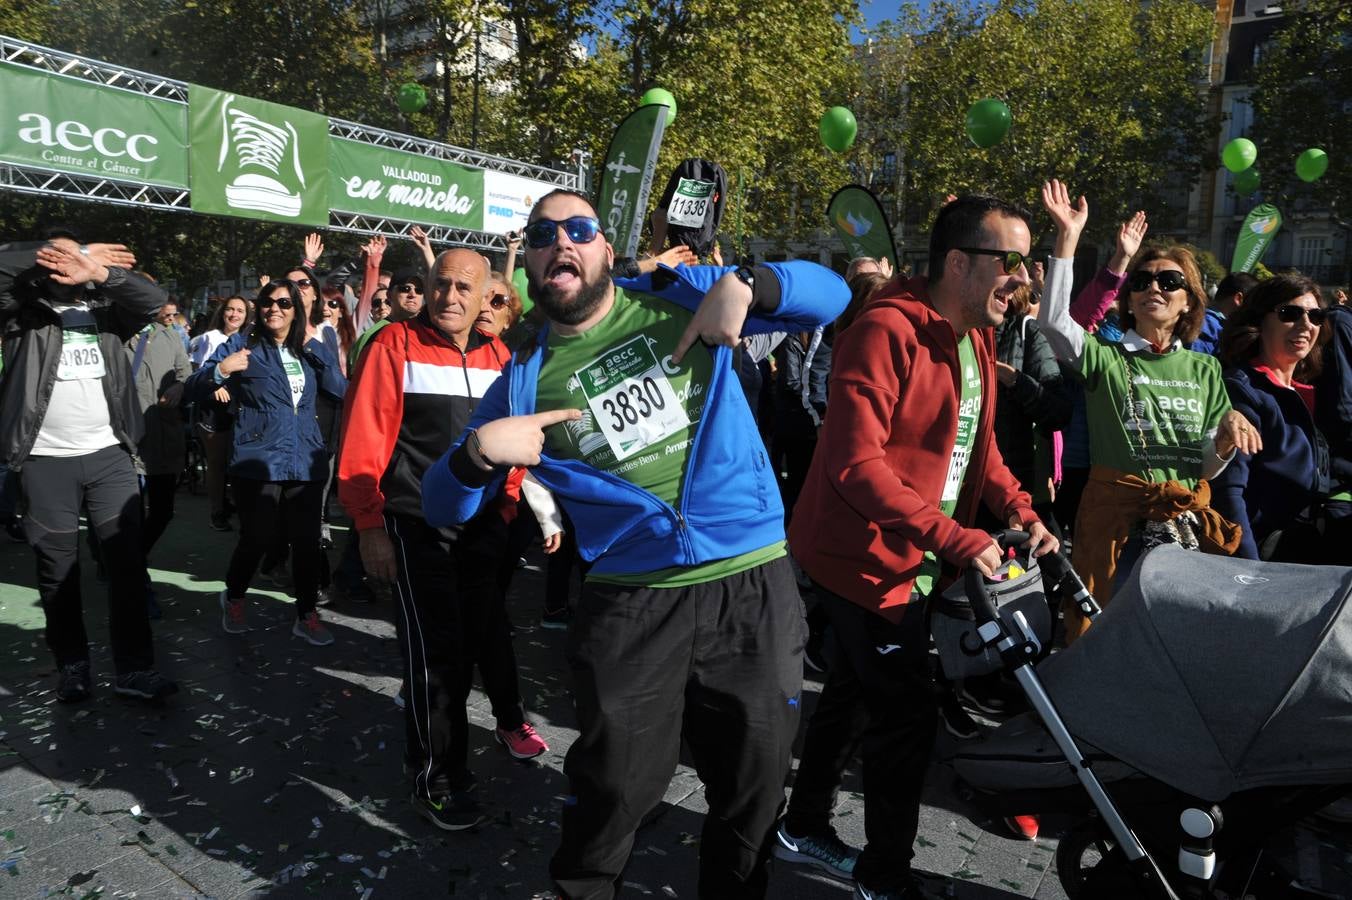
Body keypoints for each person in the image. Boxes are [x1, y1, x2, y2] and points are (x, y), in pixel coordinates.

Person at [422, 189, 848, 898]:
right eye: (542, 234)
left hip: (750, 582)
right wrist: (478, 454)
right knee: (614, 787)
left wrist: (750, 283)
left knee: (756, 779)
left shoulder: (683, 294)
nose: (562, 242)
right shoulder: (522, 381)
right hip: (630, 601)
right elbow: (442, 501)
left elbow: (831, 295)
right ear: (526, 264)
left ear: (604, 250)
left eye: (579, 229)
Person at [784, 195, 1056, 898]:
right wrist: (956, 538)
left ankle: (801, 823)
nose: (1021, 280)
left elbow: (976, 441)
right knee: (903, 718)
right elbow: (854, 464)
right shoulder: (885, 330)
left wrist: (1019, 509)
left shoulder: (975, 334)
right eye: (1011, 262)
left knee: (847, 691)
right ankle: (886, 874)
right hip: (865, 563)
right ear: (960, 262)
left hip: (915, 557)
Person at [338, 247, 549, 833]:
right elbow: (363, 442)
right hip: (414, 526)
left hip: (483, 530)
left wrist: (508, 504)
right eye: (441, 285)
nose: (450, 297)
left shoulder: (503, 355)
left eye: (464, 288)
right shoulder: (391, 344)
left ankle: (456, 754)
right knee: (435, 659)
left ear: (489, 299)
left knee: (475, 643)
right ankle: (437, 776)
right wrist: (370, 526)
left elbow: (516, 440)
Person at [1035, 179, 1257, 640]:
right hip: (1112, 522)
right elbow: (1054, 323)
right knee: (1101, 632)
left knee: (1174, 637)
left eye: (1169, 281)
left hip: (1181, 524)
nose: (1153, 287)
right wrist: (1068, 236)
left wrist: (1224, 435)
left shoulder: (1204, 369)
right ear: (1129, 297)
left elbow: (1204, 468)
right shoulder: (1106, 356)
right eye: (1142, 281)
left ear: (1188, 302)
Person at [0, 235, 178, 703]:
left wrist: (99, 271)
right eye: (63, 261)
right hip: (44, 460)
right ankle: (73, 666)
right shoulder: (22, 312)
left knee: (126, 565)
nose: (69, 269)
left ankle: (134, 670)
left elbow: (155, 299)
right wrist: (60, 248)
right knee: (57, 571)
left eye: (76, 260)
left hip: (110, 457)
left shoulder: (107, 313)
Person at [189, 279, 347, 645]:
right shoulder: (241, 345)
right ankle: (235, 596)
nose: (274, 309)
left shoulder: (312, 347)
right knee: (258, 537)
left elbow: (340, 391)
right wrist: (221, 370)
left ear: (296, 310)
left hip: (306, 458)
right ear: (259, 308)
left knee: (307, 542)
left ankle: (306, 613)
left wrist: (319, 355)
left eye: (284, 303)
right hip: (257, 458)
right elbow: (197, 386)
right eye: (267, 302)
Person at [1213, 274, 1332, 561]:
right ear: (1259, 322)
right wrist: (1249, 570)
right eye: (1290, 314)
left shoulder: (1309, 392)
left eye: (1315, 316)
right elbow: (1229, 492)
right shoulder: (1242, 390)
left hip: (1303, 551)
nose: (1306, 325)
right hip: (1263, 560)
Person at [125, 306, 193, 563]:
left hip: (162, 437)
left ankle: (134, 556)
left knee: (162, 511)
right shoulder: (115, 335)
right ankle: (118, 562)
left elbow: (186, 374)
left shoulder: (170, 336)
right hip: (126, 437)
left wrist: (179, 386)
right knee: (123, 512)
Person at [191, 296, 252, 531]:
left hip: (240, 408)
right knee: (216, 464)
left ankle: (236, 505)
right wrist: (215, 385)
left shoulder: (250, 340)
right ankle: (216, 511)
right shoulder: (209, 338)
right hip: (213, 410)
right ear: (222, 312)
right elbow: (197, 373)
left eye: (240, 310)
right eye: (230, 309)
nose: (235, 315)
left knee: (237, 462)